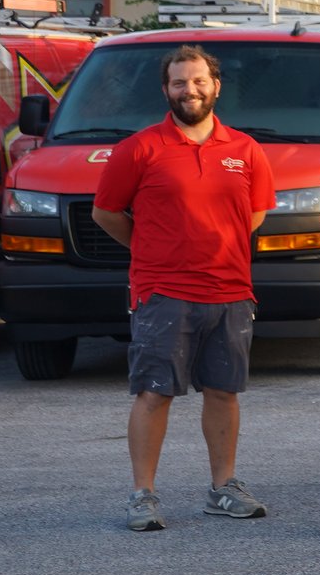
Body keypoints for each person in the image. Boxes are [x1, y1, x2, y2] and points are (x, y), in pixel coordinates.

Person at [96, 44, 275, 533]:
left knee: (224, 392)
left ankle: (224, 489)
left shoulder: (245, 150)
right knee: (154, 392)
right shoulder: (139, 148)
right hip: (163, 291)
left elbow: (253, 215)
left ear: (216, 86)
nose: (189, 90)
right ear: (166, 89)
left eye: (198, 81)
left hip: (231, 290)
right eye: (179, 82)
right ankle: (142, 495)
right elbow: (106, 212)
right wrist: (152, 248)